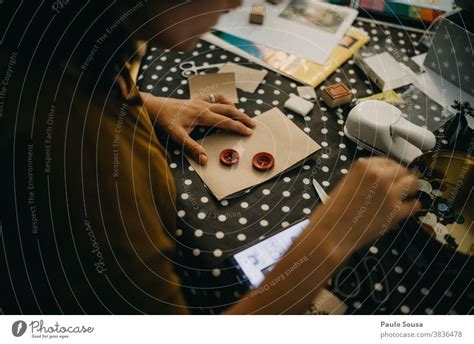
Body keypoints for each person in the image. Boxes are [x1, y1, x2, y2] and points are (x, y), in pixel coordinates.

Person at [0, 1, 420, 314]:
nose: (241, 3)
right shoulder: (77, 155)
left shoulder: (62, 38)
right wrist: (328, 242)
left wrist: (143, 103)